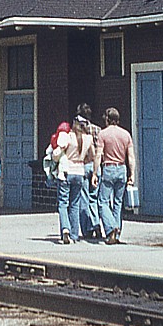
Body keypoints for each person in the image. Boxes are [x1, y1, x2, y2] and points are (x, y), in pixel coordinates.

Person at [97, 107, 137, 244]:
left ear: (107, 119)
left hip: (108, 168)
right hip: (122, 169)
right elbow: (131, 157)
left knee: (102, 201)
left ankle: (111, 228)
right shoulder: (126, 135)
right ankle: (117, 232)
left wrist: (95, 173)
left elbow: (98, 155)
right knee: (118, 203)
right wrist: (132, 175)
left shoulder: (102, 134)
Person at [53, 117, 92, 243]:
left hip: (66, 171)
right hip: (80, 172)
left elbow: (57, 153)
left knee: (63, 203)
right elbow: (90, 155)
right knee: (75, 204)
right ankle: (75, 235)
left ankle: (65, 229)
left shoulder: (68, 137)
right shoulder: (88, 138)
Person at [76, 104, 104, 240]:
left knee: (83, 198)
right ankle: (96, 224)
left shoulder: (77, 131)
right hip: (95, 166)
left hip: (82, 165)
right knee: (94, 198)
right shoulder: (98, 130)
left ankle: (87, 229)